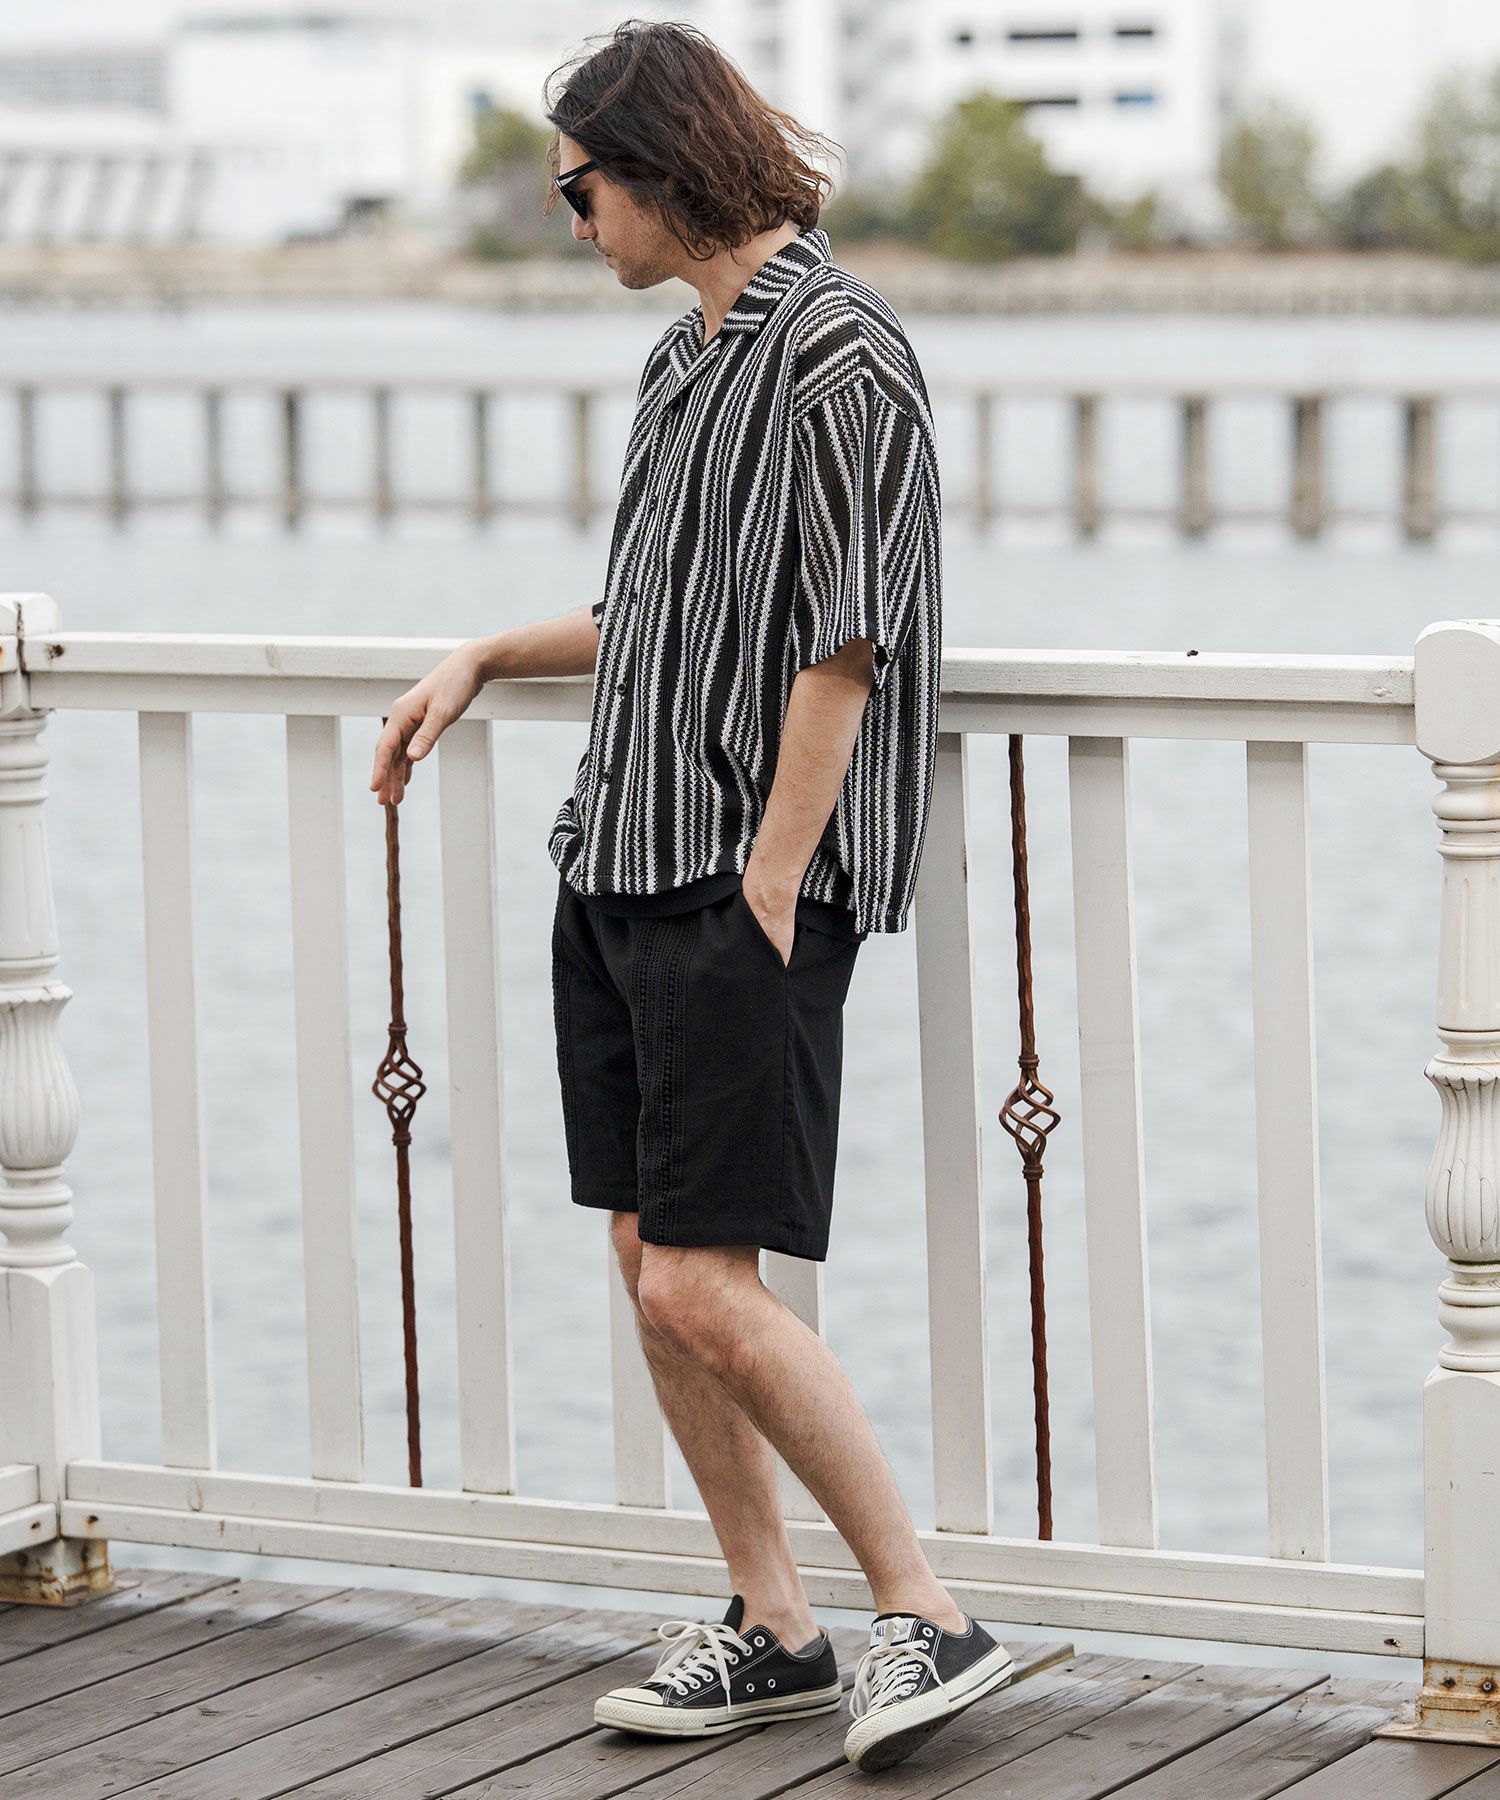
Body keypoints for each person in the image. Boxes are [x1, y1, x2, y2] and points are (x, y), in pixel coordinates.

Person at [368, 18, 1013, 1776]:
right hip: (619, 856)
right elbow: (651, 613)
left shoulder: (841, 351)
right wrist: (484, 654)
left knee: (705, 1287)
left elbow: (846, 640)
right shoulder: (684, 364)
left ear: (656, 168)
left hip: (737, 883)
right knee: (650, 1259)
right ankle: (775, 1627)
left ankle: (928, 1611)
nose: (572, 223)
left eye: (578, 191)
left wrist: (772, 884)